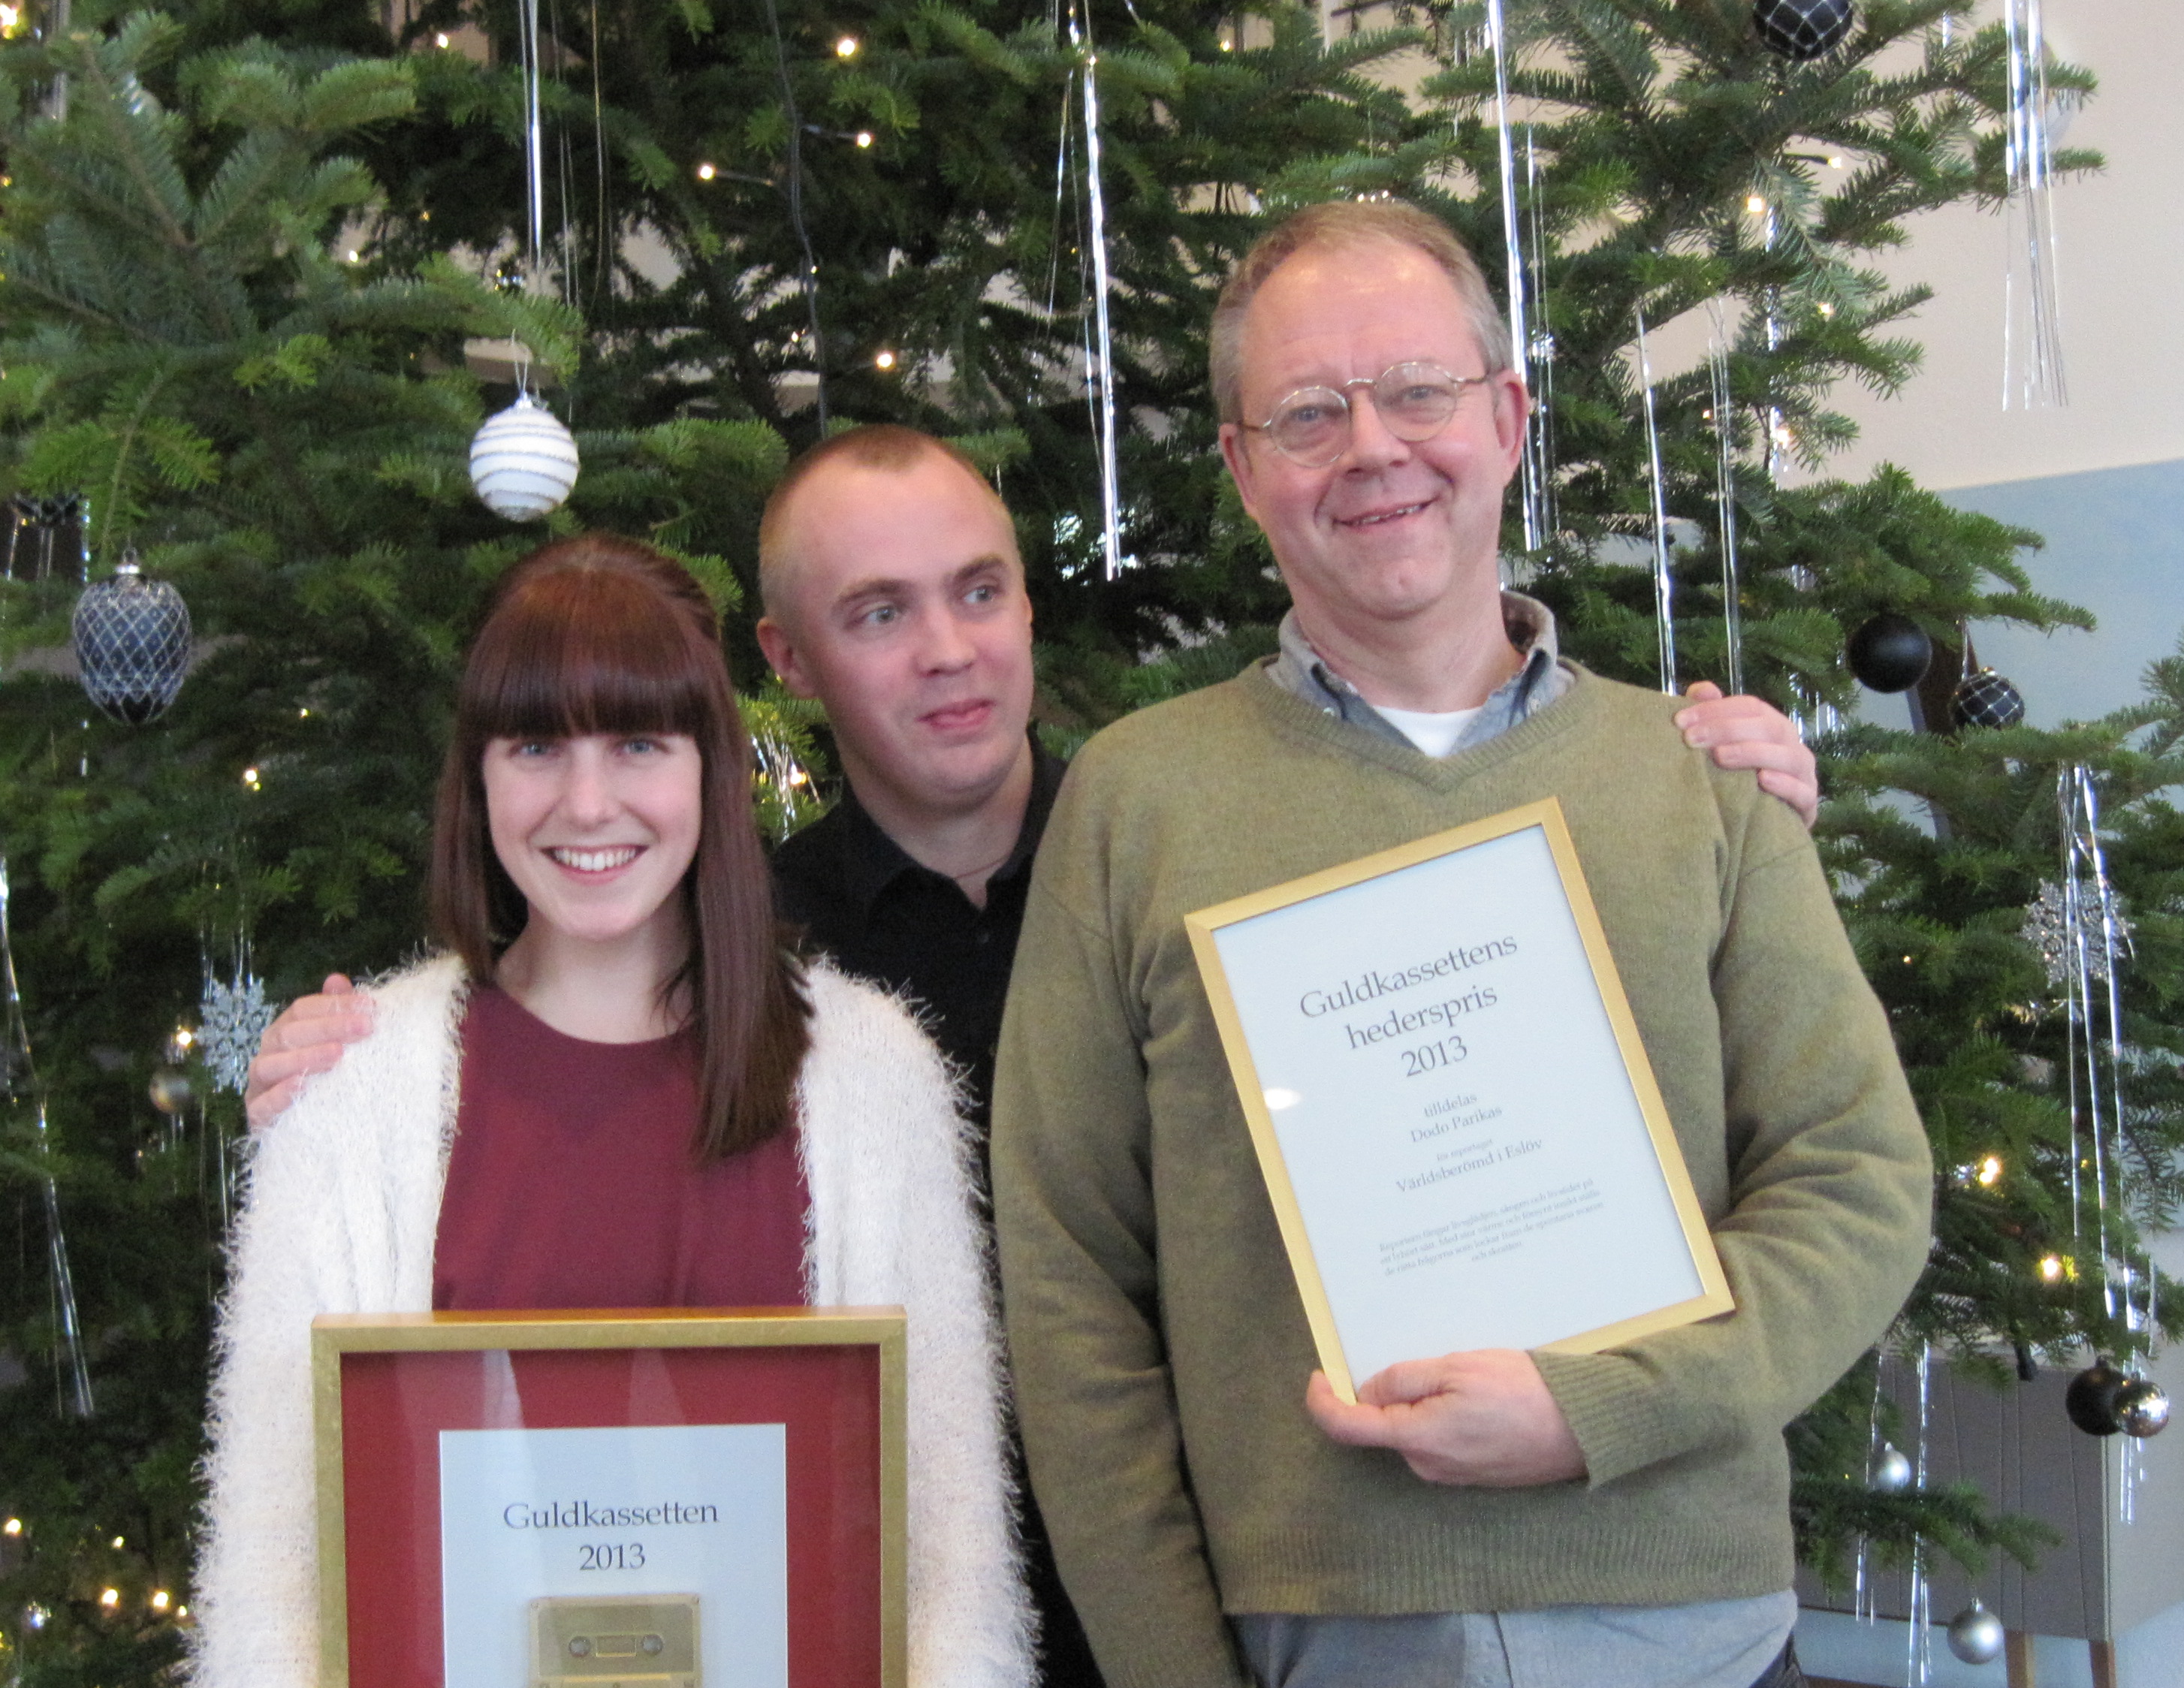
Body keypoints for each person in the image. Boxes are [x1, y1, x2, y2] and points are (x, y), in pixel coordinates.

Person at [240, 428, 1831, 1688]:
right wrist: (352, 1058)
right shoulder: (757, 954)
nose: (946, 649)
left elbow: (1470, 951)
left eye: (978, 589)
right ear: (788, 669)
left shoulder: (1194, 840)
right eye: (878, 612)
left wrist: (1704, 784)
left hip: (1230, 1578)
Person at [988, 200, 1932, 1688]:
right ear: (1243, 469)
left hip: (1688, 1618)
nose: (1371, 444)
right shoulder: (1135, 799)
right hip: (1312, 1634)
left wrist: (1600, 1404)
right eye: (1306, 411)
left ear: (1502, 419)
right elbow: (1067, 1278)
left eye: (1417, 390)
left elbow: (1857, 1183)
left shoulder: (1692, 780)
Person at [191, 535, 1034, 1688]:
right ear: (478, 776)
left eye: (639, 743)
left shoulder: (874, 1080)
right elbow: (275, 1589)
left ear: (712, 769)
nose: (588, 806)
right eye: (537, 746)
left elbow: (948, 1577)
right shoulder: (349, 1096)